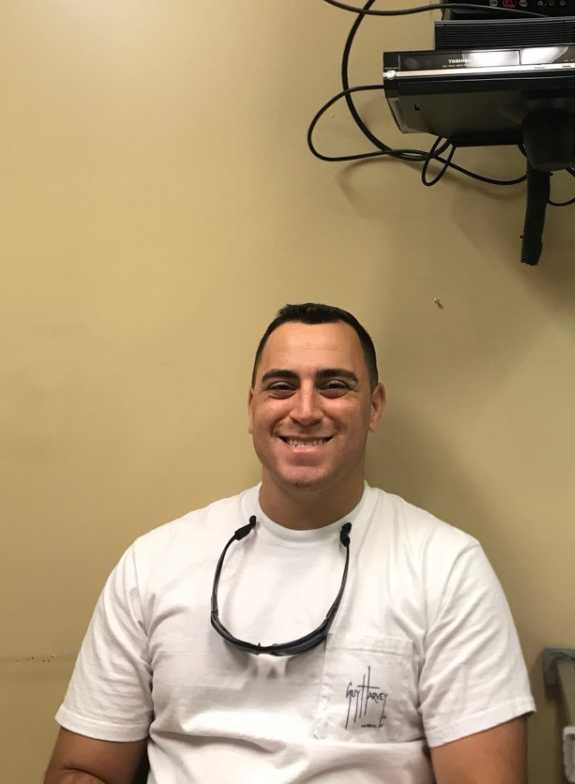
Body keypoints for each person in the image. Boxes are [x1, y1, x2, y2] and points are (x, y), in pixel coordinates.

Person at [45, 302, 534, 784]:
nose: (304, 410)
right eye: (281, 387)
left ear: (375, 407)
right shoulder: (153, 563)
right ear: (253, 405)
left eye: (334, 386)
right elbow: (82, 767)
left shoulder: (447, 568)